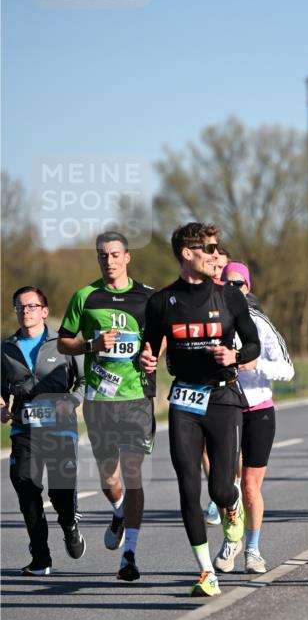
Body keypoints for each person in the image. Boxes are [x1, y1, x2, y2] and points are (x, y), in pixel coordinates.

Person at [139, 222, 260, 597]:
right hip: (184, 402)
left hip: (223, 398)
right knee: (188, 487)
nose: (214, 255)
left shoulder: (229, 297)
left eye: (216, 248)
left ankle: (232, 506)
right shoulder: (161, 302)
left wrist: (235, 355)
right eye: (207, 249)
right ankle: (207, 572)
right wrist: (145, 361)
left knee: (221, 487)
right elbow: (149, 349)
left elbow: (253, 345)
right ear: (186, 253)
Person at [58, 232, 156, 582]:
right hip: (99, 401)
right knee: (109, 477)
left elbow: (163, 342)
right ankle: (118, 513)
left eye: (115, 254)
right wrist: (91, 344)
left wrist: (153, 357)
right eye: (102, 255)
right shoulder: (85, 296)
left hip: (135, 399)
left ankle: (129, 555)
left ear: (127, 257)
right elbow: (65, 342)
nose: (109, 260)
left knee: (133, 475)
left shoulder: (148, 297)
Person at [214, 260, 294, 572]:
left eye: (239, 284)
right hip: (224, 409)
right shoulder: (212, 322)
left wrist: (254, 364)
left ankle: (253, 549)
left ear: (248, 288)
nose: (233, 289)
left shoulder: (260, 323)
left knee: (249, 485)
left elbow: (288, 369)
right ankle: (230, 539)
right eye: (227, 284)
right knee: (224, 484)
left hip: (259, 410)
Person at [2, 286, 86, 575]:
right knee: (24, 483)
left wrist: (73, 400)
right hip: (24, 429)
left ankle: (69, 523)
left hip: (61, 428)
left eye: (32, 306)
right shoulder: (6, 348)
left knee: (61, 492)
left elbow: (87, 380)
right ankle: (41, 556)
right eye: (20, 307)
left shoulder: (64, 343)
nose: (26, 311)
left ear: (44, 311)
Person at [200, 244, 230, 527]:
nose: (216, 271)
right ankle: (216, 494)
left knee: (232, 454)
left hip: (231, 387)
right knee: (204, 450)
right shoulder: (192, 297)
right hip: (197, 387)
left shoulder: (231, 298)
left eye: (221, 267)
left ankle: (227, 493)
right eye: (213, 265)